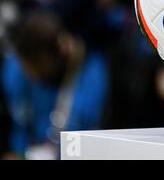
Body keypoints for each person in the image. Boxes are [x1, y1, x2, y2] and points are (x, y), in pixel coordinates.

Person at [1, 11, 109, 159]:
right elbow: (18, 123)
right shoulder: (15, 70)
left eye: (37, 65)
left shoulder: (93, 76)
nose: (31, 73)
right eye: (26, 66)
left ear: (60, 52)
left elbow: (90, 140)